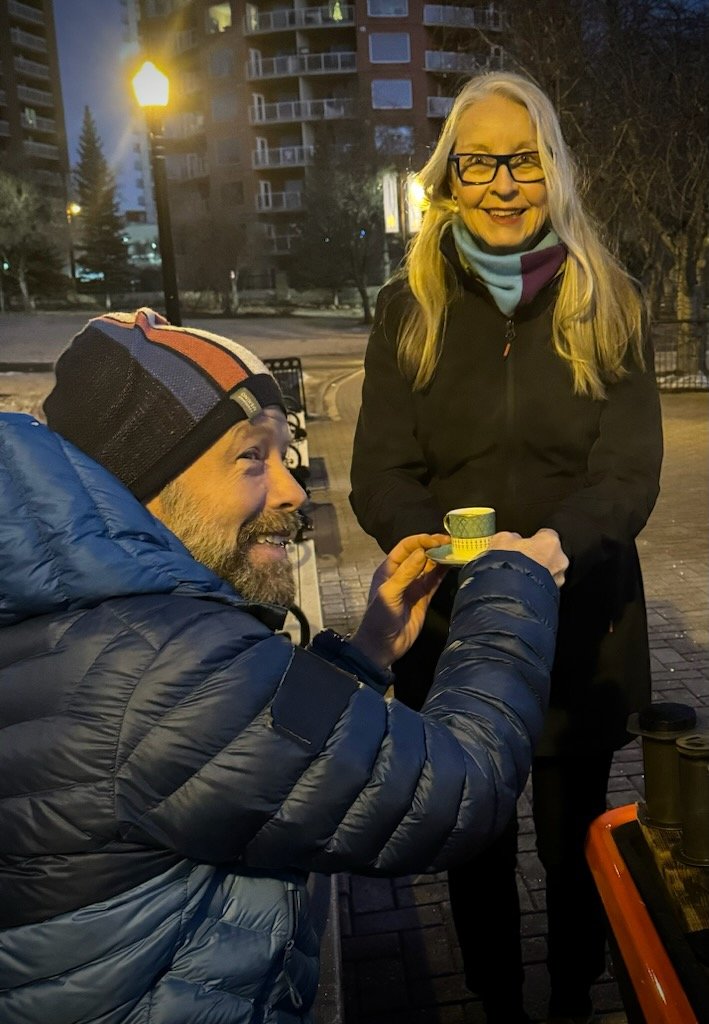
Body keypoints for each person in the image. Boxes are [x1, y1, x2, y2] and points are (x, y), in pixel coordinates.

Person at [0, 307, 565, 1024]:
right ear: (140, 481)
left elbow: (258, 762)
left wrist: (367, 652)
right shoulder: (163, 667)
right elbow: (460, 790)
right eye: (250, 456)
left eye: (283, 452)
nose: (294, 490)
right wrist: (511, 586)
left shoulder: (88, 625)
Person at [350, 71, 663, 1024]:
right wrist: (429, 542)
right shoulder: (408, 307)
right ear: (446, 178)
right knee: (474, 842)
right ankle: (494, 1001)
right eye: (477, 161)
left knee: (575, 846)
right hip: (453, 636)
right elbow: (380, 472)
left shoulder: (611, 300)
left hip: (583, 628)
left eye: (521, 160)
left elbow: (628, 473)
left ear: (553, 170)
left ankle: (573, 997)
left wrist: (548, 550)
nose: (500, 182)